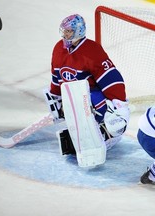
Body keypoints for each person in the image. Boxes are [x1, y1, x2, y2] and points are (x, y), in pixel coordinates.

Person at [45, 14, 130, 156]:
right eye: (64, 31)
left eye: (69, 31)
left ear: (79, 31)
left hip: (91, 95)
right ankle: (83, 132)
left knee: (98, 104)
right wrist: (56, 98)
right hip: (72, 97)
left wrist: (118, 103)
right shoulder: (59, 48)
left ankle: (108, 135)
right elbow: (56, 75)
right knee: (74, 108)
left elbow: (110, 77)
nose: (65, 34)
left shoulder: (92, 50)